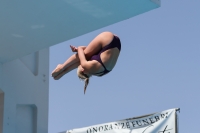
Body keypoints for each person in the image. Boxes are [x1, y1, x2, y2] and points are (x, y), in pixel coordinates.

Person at [52, 31, 121, 94]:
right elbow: (81, 48)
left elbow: (90, 49)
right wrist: (78, 50)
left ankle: (62, 72)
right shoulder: (87, 66)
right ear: (83, 70)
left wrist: (78, 51)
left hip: (116, 43)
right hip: (107, 39)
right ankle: (62, 68)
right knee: (83, 55)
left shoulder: (99, 73)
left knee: (85, 56)